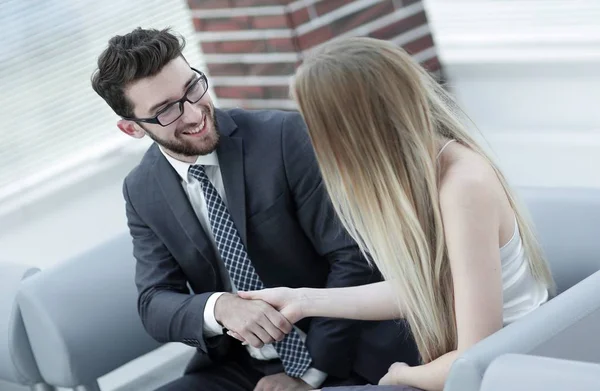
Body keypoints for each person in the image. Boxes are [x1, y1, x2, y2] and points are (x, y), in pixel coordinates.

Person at [91, 28, 420, 391]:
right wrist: (218, 308)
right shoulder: (142, 189)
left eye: (192, 88)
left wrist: (305, 376)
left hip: (343, 351)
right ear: (131, 128)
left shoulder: (282, 137)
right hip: (241, 364)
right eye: (166, 110)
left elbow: (354, 259)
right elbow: (154, 303)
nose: (193, 112)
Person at [237, 37, 555, 391]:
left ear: (352, 129)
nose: (313, 140)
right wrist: (303, 300)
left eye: (315, 125)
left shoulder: (462, 186)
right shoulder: (422, 176)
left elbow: (475, 357)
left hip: (510, 372)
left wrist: (402, 375)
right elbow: (425, 289)